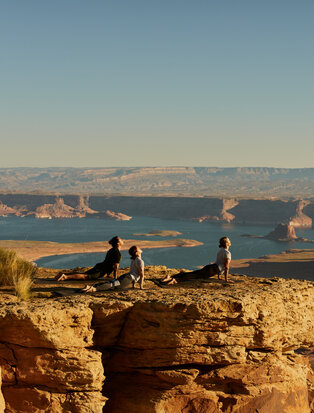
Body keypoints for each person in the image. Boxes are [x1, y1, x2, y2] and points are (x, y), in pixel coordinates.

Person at [161, 236, 232, 285]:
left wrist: (219, 277)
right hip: (213, 269)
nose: (230, 242)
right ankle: (174, 280)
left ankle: (171, 277)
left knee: (194, 273)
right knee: (194, 276)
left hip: (211, 267)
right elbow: (226, 267)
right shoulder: (227, 253)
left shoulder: (221, 251)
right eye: (229, 241)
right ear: (226, 243)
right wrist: (226, 279)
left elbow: (219, 263)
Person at [57, 236, 123, 281]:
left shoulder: (111, 250)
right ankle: (65, 277)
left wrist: (108, 275)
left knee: (84, 274)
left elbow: (108, 262)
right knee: (85, 277)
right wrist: (115, 278)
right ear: (118, 243)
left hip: (100, 266)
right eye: (121, 240)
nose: (123, 241)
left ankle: (63, 274)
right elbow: (115, 267)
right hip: (101, 270)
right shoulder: (117, 253)